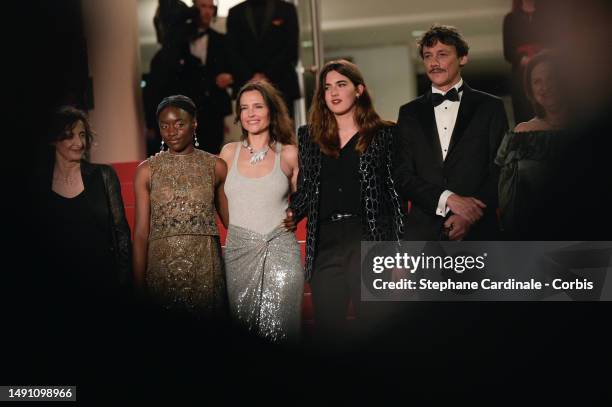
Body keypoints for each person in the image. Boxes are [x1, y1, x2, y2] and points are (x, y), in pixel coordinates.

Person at [284, 60, 404, 346]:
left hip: (370, 239)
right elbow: (307, 189)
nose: (333, 93)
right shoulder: (309, 137)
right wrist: (292, 213)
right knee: (328, 332)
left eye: (341, 84)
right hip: (325, 245)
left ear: (359, 90)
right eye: (327, 87)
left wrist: (400, 253)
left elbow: (395, 195)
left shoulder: (384, 133)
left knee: (375, 329)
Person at [394, 24, 508, 241]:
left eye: (442, 54)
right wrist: (447, 199)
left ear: (463, 58)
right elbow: (402, 175)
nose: (434, 63)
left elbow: (500, 170)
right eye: (428, 56)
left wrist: (469, 216)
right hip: (423, 236)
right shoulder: (409, 113)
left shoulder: (490, 107)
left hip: (480, 233)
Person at [218, 81, 303, 343]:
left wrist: (293, 215)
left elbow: (303, 199)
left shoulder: (289, 154)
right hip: (239, 254)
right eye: (244, 108)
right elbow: (219, 201)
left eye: (258, 106)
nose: (251, 113)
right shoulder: (228, 153)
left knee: (283, 331)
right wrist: (239, 236)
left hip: (281, 254)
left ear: (271, 111)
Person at [133, 95, 229, 319]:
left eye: (179, 124)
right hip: (161, 271)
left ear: (194, 124)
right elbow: (140, 233)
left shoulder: (215, 166)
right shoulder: (147, 170)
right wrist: (137, 287)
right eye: (164, 126)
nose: (171, 132)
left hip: (206, 269)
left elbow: (231, 221)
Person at [44, 106, 132, 296]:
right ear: (53, 140)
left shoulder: (104, 175)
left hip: (103, 283)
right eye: (69, 136)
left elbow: (122, 233)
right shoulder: (39, 184)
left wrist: (124, 284)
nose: (79, 142)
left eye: (82, 135)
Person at [496, 51, 570, 239]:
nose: (544, 87)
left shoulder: (591, 129)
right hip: (537, 234)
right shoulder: (522, 133)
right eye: (537, 82)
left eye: (551, 79)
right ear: (530, 90)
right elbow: (508, 197)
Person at [144, 0, 233, 155]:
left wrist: (229, 77)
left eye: (211, 7)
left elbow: (233, 70)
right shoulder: (175, 45)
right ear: (193, 9)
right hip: (182, 114)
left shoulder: (222, 41)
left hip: (212, 114)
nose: (206, 12)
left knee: (210, 160)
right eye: (202, 7)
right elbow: (159, 86)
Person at [226, 0, 300, 117]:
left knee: (284, 130)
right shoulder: (235, 12)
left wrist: (266, 75)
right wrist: (251, 77)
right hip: (246, 85)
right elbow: (232, 51)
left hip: (281, 84)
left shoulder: (287, 9)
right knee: (251, 129)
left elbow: (291, 48)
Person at [503, 0, 544, 124]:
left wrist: (541, 58)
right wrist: (524, 59)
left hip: (545, 68)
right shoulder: (510, 19)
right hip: (521, 74)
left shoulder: (546, 17)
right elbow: (508, 52)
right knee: (524, 112)